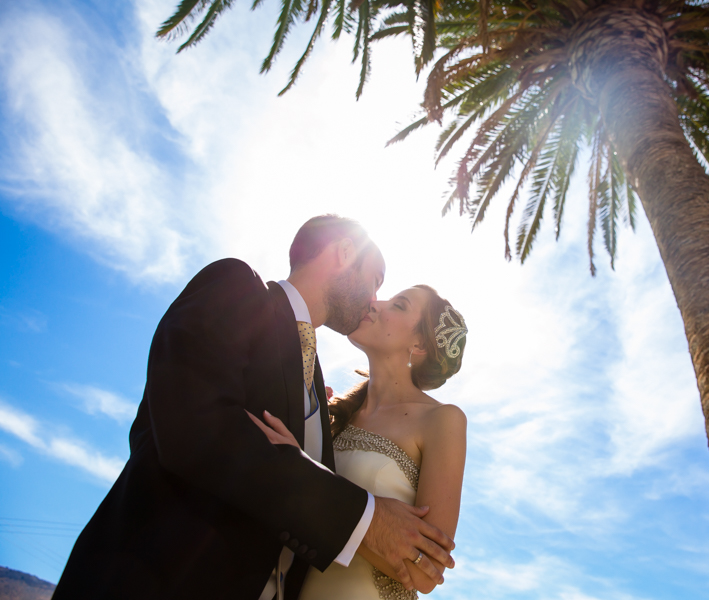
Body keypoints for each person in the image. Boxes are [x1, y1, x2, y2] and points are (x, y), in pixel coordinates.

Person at [52, 216, 455, 600]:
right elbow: (187, 429)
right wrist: (367, 521)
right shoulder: (235, 288)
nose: (374, 299)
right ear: (344, 252)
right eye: (375, 279)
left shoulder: (316, 388)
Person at [249, 284, 468, 599]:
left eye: (399, 305)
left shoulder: (442, 420)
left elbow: (426, 572)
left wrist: (304, 478)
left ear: (420, 343)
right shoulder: (328, 415)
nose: (375, 304)